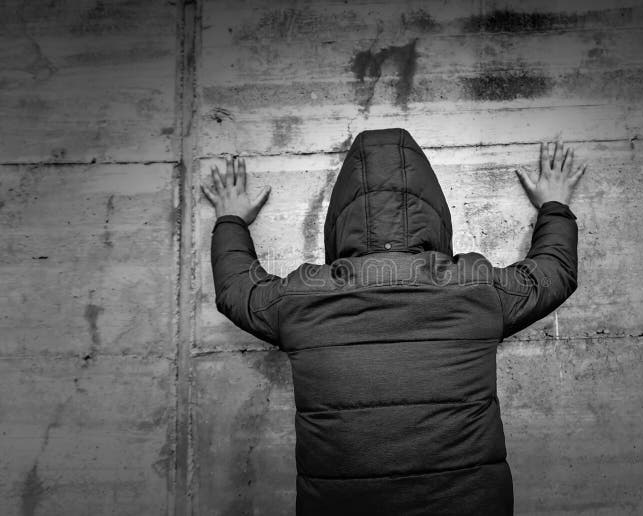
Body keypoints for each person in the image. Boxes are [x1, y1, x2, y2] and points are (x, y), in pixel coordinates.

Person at [201, 128, 586, 516]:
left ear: (338, 220)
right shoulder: (474, 285)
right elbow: (552, 273)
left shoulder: (302, 296)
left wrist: (231, 218)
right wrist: (553, 204)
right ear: (435, 214)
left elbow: (238, 289)